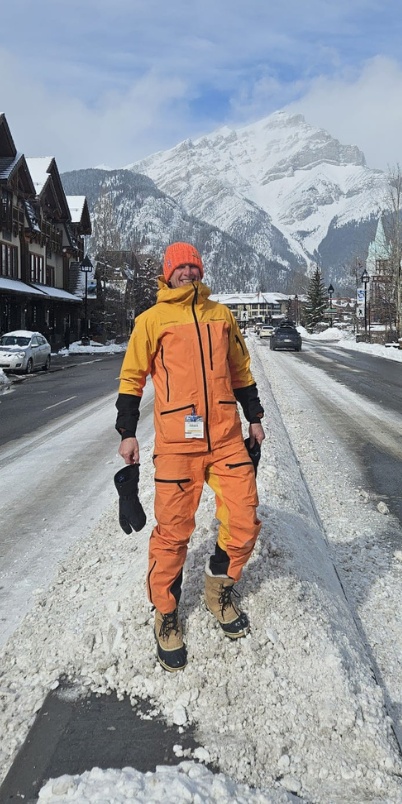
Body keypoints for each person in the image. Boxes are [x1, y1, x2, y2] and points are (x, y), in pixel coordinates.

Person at [115, 242, 267, 671]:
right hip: (177, 445)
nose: (188, 273)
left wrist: (254, 417)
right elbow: (132, 376)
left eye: (193, 266)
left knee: (244, 518)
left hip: (226, 438)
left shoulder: (222, 316)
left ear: (201, 271)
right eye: (180, 267)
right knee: (173, 532)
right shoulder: (151, 320)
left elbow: (240, 369)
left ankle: (219, 589)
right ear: (168, 274)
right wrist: (128, 432)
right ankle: (166, 612)